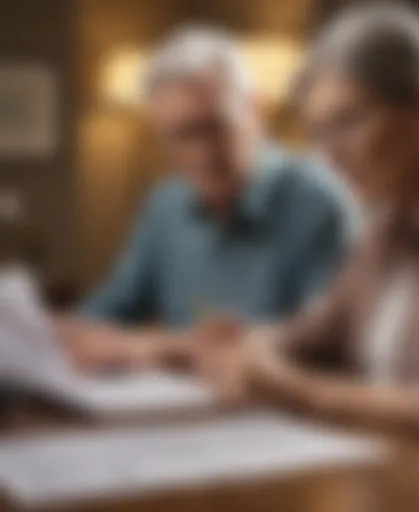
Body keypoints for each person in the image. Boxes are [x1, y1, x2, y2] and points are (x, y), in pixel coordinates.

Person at [201, 4, 419, 452]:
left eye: (348, 122)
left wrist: (305, 395)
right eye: (318, 132)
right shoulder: (382, 225)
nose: (330, 157)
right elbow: (314, 334)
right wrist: (253, 348)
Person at [57, 28, 355, 371]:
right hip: (180, 406)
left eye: (215, 127)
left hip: (280, 410)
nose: (203, 153)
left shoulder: (318, 203)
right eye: (179, 137)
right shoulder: (165, 205)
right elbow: (111, 311)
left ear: (256, 110)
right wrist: (62, 330)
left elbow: (324, 342)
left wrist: (162, 348)